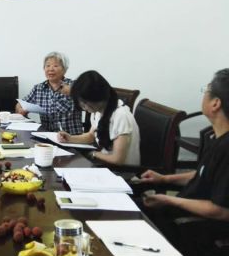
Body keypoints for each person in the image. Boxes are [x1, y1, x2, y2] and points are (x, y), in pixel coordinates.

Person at [141, 69, 229, 221]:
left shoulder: (226, 148)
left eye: (206, 90)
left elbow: (220, 210)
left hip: (191, 225)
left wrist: (169, 200)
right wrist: (164, 179)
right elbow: (204, 174)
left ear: (215, 103)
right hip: (179, 211)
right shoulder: (217, 138)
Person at [58, 70, 140, 165]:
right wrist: (70, 138)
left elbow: (118, 160)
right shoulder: (99, 111)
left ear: (97, 97)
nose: (82, 106)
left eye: (85, 102)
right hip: (105, 165)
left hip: (121, 171)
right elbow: (91, 136)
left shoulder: (121, 116)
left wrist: (94, 154)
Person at [14, 52, 83, 134]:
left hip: (72, 138)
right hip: (46, 137)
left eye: (55, 66)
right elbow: (20, 104)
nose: (51, 69)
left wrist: (72, 92)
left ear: (64, 70)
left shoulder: (74, 85)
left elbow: (90, 101)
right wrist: (20, 110)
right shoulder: (38, 88)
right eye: (48, 66)